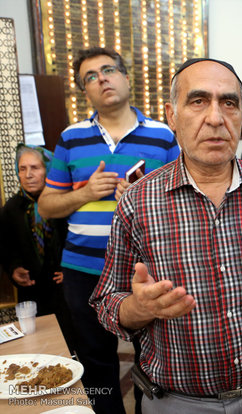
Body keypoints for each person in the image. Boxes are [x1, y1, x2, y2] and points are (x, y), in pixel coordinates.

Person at [90, 58, 242, 413]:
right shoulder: (138, 203)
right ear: (172, 115)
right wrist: (137, 309)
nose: (215, 117)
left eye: (228, 103)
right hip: (174, 403)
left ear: (241, 115)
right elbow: (107, 300)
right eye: (198, 101)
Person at [38, 47, 180, 413]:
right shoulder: (71, 138)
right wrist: (84, 193)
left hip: (146, 270)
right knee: (95, 360)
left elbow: (185, 200)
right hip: (83, 270)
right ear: (84, 91)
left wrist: (145, 193)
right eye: (90, 76)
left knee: (154, 356)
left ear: (126, 77)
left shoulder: (163, 136)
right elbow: (46, 205)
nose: (102, 78)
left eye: (108, 70)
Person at [1, 144, 74, 349]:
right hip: (32, 291)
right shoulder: (11, 209)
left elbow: (77, 240)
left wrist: (69, 270)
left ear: (48, 170)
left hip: (65, 288)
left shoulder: (63, 202)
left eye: (35, 168)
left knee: (70, 343)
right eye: (22, 169)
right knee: (41, 347)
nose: (28, 175)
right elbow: (6, 247)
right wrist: (14, 268)